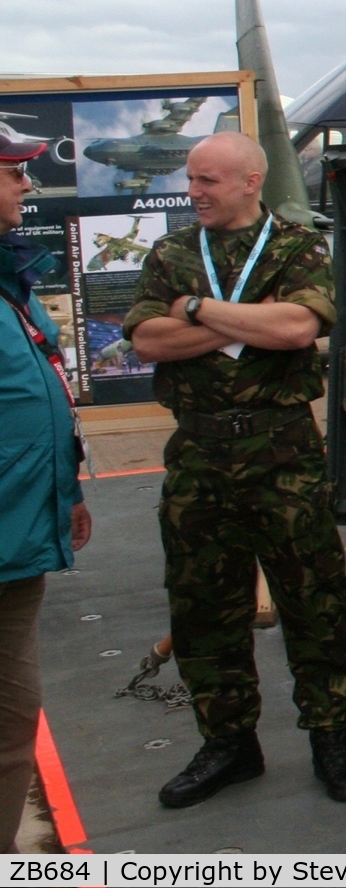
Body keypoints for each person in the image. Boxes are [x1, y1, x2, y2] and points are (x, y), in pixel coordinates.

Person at [125, 131, 346, 809]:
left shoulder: (296, 246)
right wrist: (249, 323)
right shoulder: (172, 252)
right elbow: (147, 337)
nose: (194, 191)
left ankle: (331, 735)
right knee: (204, 605)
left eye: (208, 181)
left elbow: (298, 329)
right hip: (199, 455)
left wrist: (200, 310)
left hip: (283, 453)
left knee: (313, 601)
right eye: (192, 179)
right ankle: (228, 743)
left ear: (250, 181)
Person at [0, 122, 90, 852]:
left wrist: (70, 494)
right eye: (13, 172)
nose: (27, 184)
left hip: (20, 545)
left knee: (10, 726)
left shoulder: (10, 280)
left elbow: (40, 389)